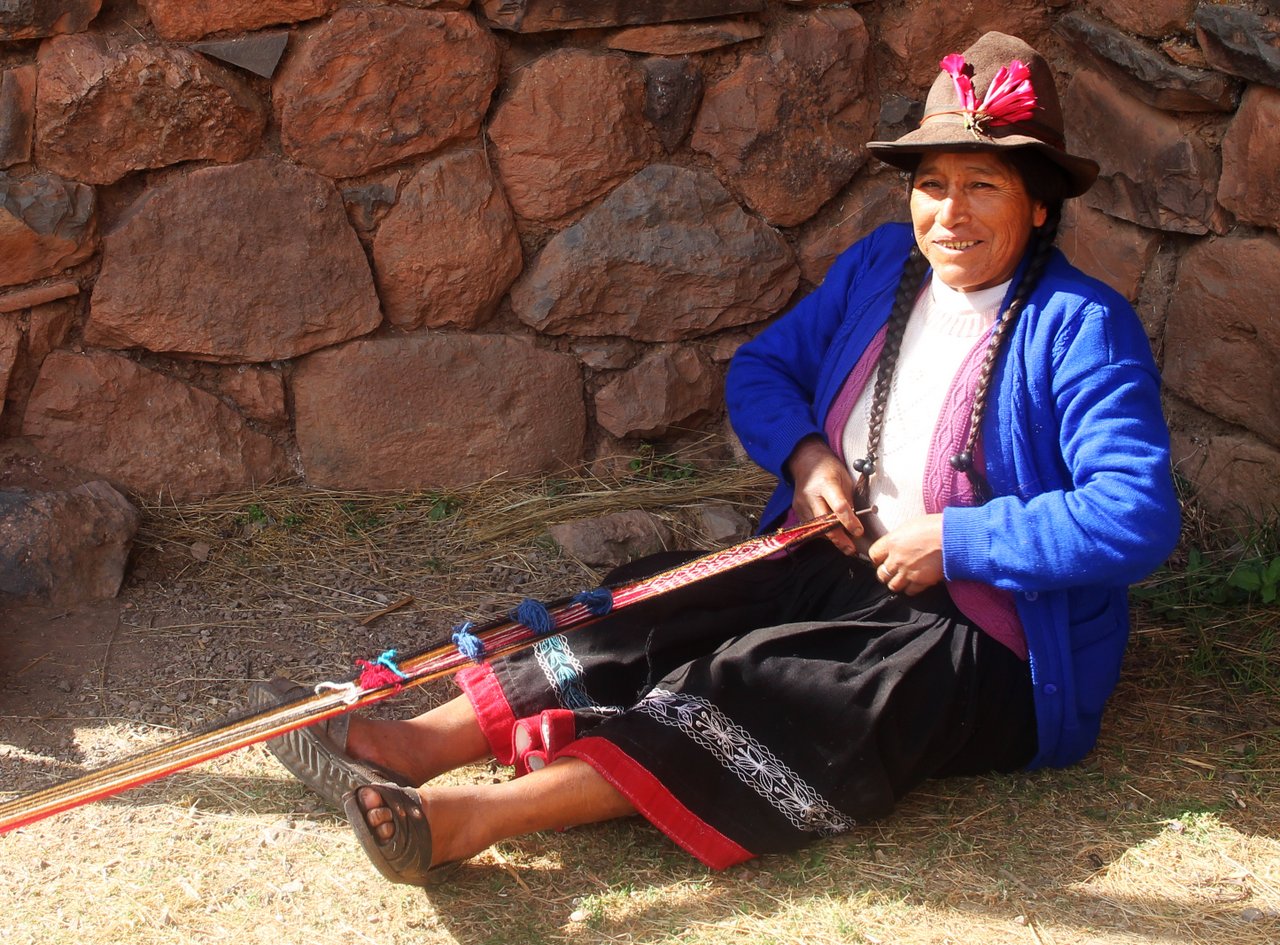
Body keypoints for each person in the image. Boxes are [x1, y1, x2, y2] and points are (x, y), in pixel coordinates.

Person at [252, 31, 1180, 886]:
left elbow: (1134, 511)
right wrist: (811, 457)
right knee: (662, 600)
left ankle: (472, 818)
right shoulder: (882, 268)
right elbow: (768, 368)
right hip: (840, 553)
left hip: (980, 634)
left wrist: (960, 539)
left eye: (983, 187)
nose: (948, 214)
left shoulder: (1083, 326)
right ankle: (414, 746)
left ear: (1041, 201)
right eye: (932, 183)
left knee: (766, 683)